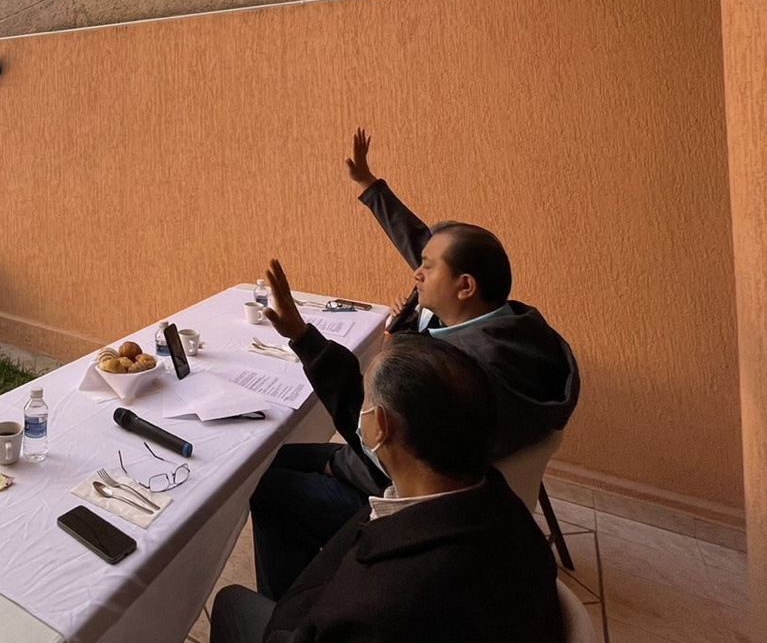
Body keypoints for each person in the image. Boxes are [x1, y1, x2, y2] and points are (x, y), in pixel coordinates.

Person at [248, 128, 580, 599]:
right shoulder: (514, 327)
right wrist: (370, 187)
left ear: (464, 286)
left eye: (427, 267)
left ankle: (289, 610)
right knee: (274, 460)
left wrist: (304, 337)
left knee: (265, 489)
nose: (416, 272)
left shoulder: (456, 372)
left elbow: (377, 439)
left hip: (408, 506)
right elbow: (428, 243)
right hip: (476, 492)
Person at [211, 337, 564, 643]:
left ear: (380, 426)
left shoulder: (382, 601)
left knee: (230, 602)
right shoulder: (504, 505)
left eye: (364, 403)